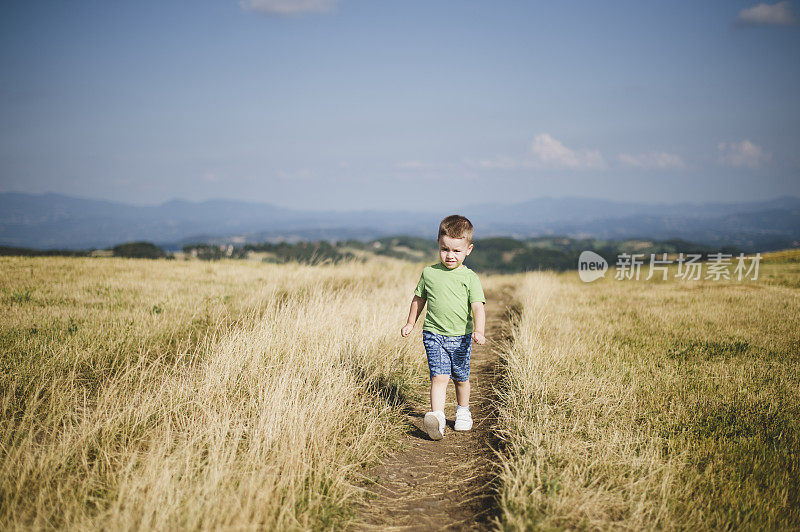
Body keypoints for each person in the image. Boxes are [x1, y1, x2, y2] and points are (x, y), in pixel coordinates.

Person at [400, 214, 486, 440]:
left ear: (468, 249)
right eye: (445, 249)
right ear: (438, 245)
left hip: (461, 338)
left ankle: (463, 411)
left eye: (456, 251)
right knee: (439, 377)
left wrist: (479, 330)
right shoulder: (429, 273)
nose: (450, 255)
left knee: (461, 377)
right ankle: (437, 417)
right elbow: (419, 300)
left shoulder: (470, 278)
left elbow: (478, 307)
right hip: (433, 334)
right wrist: (411, 323)